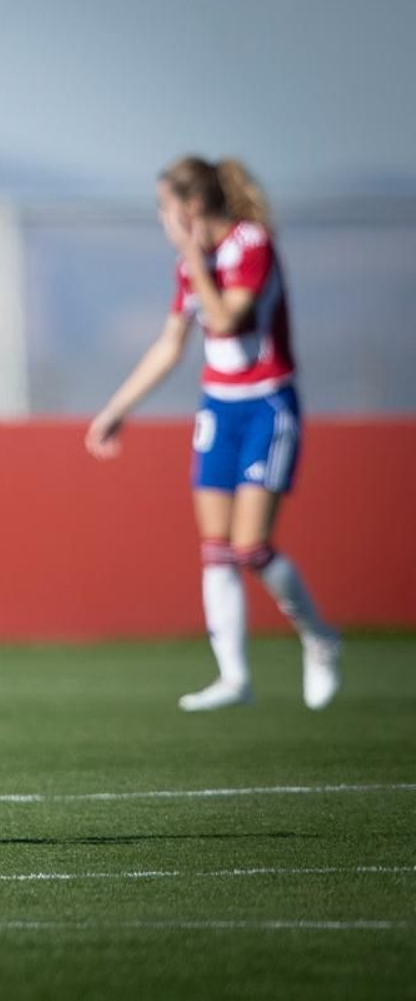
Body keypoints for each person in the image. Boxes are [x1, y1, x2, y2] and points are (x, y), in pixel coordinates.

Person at [85, 155, 341, 711]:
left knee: (252, 547)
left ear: (192, 207)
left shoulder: (251, 246)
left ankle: (320, 640)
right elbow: (171, 343)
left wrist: (193, 259)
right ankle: (234, 678)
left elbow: (225, 318)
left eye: (165, 208)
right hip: (218, 410)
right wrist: (116, 408)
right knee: (216, 548)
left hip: (267, 405)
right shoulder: (191, 266)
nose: (162, 219)